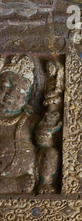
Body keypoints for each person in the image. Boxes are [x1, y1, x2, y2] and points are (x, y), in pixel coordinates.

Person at [0, 55, 36, 194]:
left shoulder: (29, 119)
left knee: (50, 155)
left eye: (21, 92)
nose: (11, 94)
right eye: (7, 85)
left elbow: (43, 141)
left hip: (27, 174)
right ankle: (12, 185)